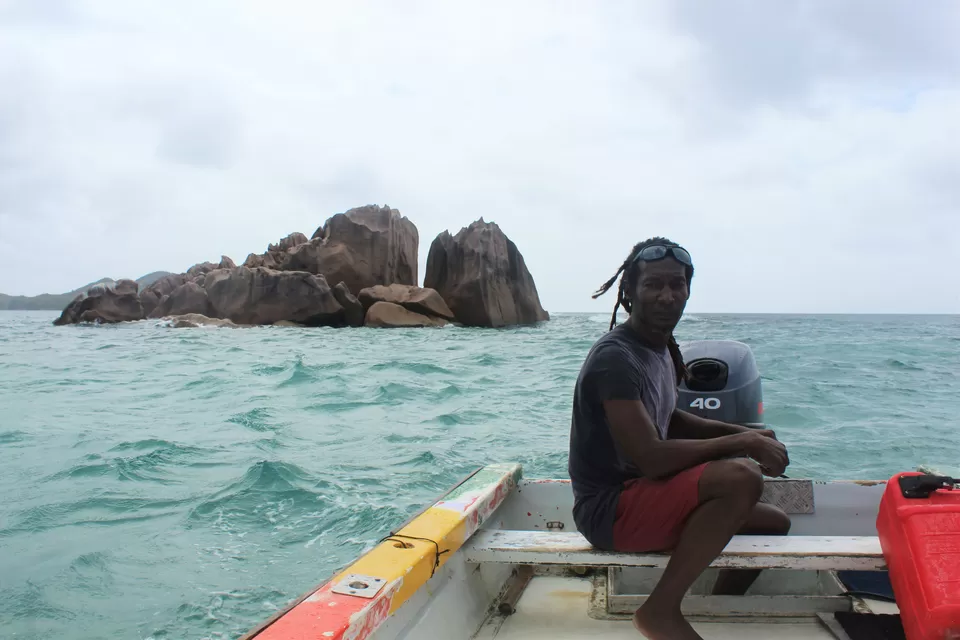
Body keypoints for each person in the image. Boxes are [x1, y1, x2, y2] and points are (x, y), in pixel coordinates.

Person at [568, 237, 791, 640]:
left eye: (677, 284)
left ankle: (718, 610)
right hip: (609, 510)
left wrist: (746, 432)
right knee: (741, 478)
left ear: (688, 290)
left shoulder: (662, 350)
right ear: (631, 292)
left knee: (774, 523)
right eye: (653, 284)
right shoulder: (614, 359)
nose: (667, 295)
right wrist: (744, 445)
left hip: (644, 493)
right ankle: (660, 611)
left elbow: (669, 418)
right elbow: (653, 457)